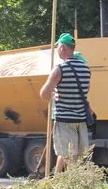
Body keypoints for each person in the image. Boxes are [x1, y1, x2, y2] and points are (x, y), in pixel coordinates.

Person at [39, 33, 92, 172]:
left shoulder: (59, 69)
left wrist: (53, 93)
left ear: (63, 48)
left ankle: (71, 187)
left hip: (64, 120)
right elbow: (85, 92)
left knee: (69, 157)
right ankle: (59, 180)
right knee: (75, 156)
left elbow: (44, 94)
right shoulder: (86, 68)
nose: (57, 50)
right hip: (81, 119)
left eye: (58, 47)